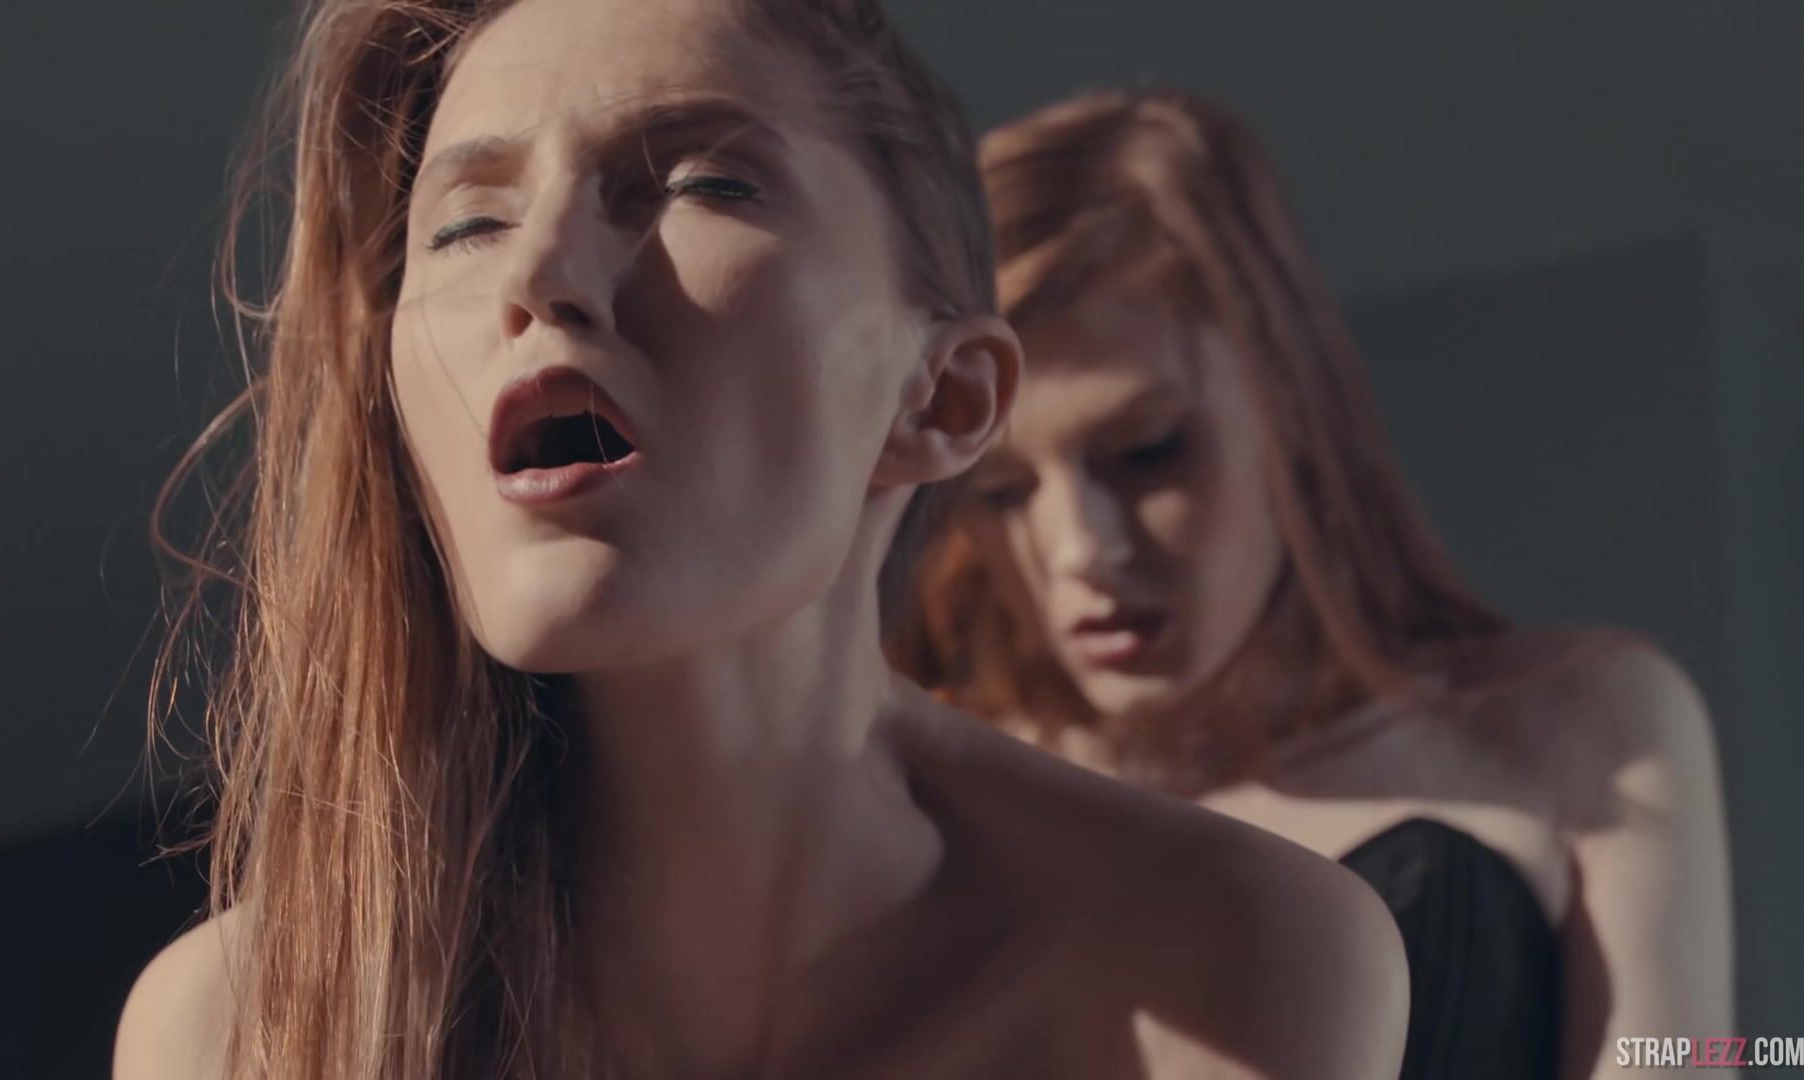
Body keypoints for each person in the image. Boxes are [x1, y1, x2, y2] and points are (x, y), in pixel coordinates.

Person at [111, 8, 1407, 1079]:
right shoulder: (236, 1033)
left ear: (943, 399)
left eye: (700, 182)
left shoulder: (1231, 963)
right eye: (466, 224)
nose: (538, 273)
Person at [893, 87, 1733, 1080]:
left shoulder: (1581, 724)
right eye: (999, 491)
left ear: (1286, 403)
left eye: (1148, 452)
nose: (1080, 550)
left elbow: (1691, 1057)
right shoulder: (933, 805)